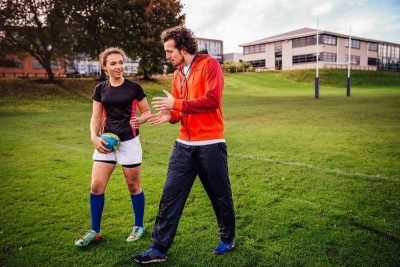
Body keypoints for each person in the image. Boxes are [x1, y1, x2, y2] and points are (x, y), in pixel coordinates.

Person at [132, 26, 235, 264]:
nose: (167, 56)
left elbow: (212, 100)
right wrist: (170, 115)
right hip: (183, 146)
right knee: (170, 196)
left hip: (211, 143)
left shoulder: (209, 64)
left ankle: (227, 239)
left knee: (220, 196)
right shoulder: (178, 74)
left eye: (170, 51)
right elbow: (179, 112)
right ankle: (158, 249)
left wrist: (176, 103)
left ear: (183, 47)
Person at [75, 47, 151, 247]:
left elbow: (147, 112)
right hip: (105, 141)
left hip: (129, 141)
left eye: (121, 62)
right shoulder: (100, 89)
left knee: (133, 186)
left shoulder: (134, 88)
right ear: (104, 66)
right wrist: (93, 136)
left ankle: (139, 226)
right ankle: (95, 230)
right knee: (96, 186)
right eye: (113, 63)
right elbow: (96, 116)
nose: (119, 67)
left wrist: (140, 120)